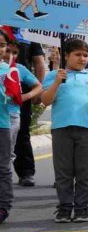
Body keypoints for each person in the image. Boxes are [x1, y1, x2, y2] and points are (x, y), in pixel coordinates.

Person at [41, 38, 88, 223]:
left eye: (85, 55)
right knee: (63, 171)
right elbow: (46, 100)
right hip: (61, 129)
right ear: (67, 55)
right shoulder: (54, 75)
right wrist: (57, 81)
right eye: (77, 54)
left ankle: (81, 208)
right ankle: (64, 208)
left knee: (84, 171)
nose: (82, 59)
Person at [2, 35, 42, 182]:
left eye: (15, 53)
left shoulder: (20, 69)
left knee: (9, 149)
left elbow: (38, 84)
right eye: (6, 50)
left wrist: (25, 97)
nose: (10, 55)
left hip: (12, 115)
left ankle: (19, 174)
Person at [12, 31, 46, 187]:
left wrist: (37, 91)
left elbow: (39, 62)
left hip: (22, 89)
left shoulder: (29, 33)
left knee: (21, 131)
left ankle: (26, 172)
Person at [0, 33, 18, 224]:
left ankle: (3, 206)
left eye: (2, 45)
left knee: (3, 167)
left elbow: (14, 97)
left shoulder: (10, 71)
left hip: (2, 124)